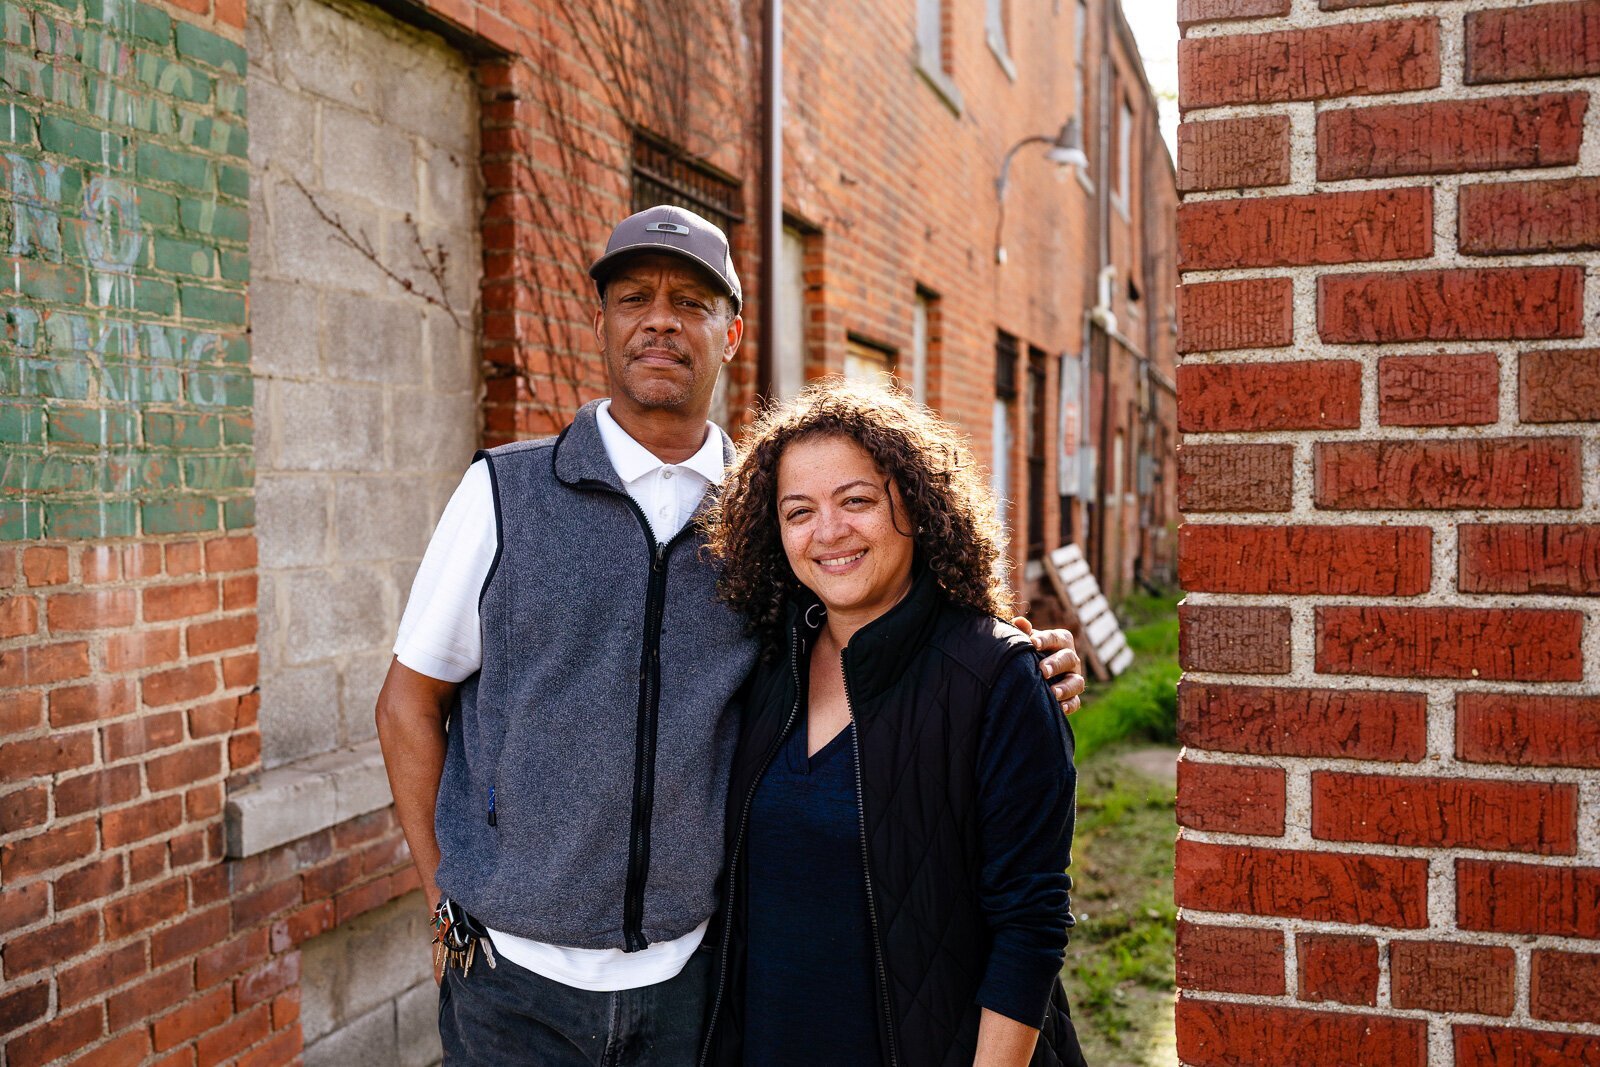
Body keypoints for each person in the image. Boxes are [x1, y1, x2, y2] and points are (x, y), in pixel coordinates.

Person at [374, 204, 1086, 1065]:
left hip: (695, 983)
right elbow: (408, 702)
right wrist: (442, 895)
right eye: (634, 297)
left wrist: (1013, 652)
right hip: (513, 983)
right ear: (600, 320)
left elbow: (879, 607)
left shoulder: (765, 517)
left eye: (692, 302)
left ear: (733, 331)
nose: (661, 320)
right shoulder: (504, 494)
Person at [701, 381, 1085, 1067]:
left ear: (915, 503)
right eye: (798, 511)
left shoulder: (994, 678)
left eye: (857, 500)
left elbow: (1030, 927)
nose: (828, 532)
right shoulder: (763, 666)